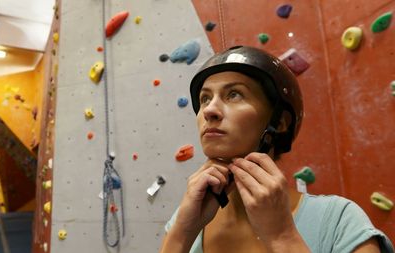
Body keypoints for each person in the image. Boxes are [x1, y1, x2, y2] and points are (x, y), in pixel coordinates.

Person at [160, 46, 394, 253]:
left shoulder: (339, 221)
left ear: (280, 121)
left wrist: (282, 237)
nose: (210, 110)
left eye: (234, 94)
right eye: (204, 98)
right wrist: (181, 233)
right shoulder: (186, 220)